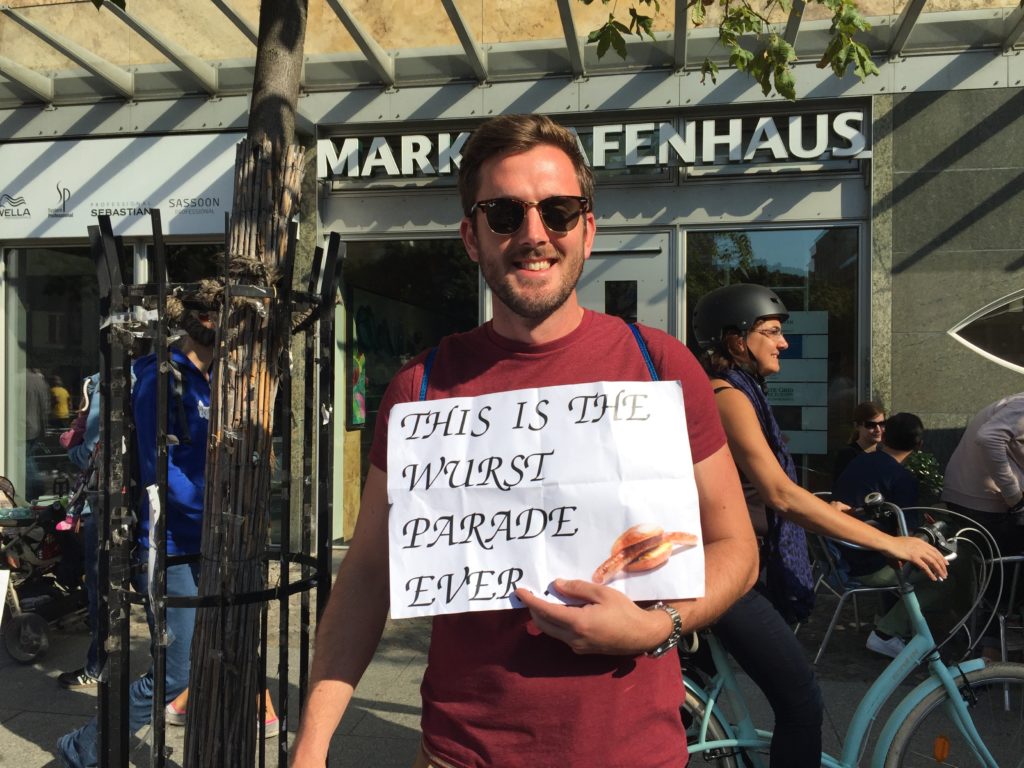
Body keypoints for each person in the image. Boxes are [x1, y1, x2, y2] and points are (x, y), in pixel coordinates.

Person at [291, 114, 758, 768]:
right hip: (464, 755)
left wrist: (659, 626)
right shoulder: (420, 389)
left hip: (637, 754)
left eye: (559, 211)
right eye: (504, 213)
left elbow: (736, 546)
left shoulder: (660, 367)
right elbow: (367, 575)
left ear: (587, 231)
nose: (534, 234)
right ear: (470, 237)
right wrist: (312, 744)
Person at [690, 283, 949, 767]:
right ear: (735, 341)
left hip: (736, 559)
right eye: (770, 332)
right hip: (726, 570)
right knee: (803, 704)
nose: (783, 342)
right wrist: (893, 543)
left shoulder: (741, 391)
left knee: (692, 697)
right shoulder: (726, 396)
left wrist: (829, 509)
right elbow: (778, 494)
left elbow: (760, 488)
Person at [57, 300, 216, 768]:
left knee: (195, 663)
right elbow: (157, 471)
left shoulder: (205, 381)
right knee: (174, 672)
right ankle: (87, 746)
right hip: (169, 546)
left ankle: (116, 744)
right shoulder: (162, 379)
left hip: (202, 543)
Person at [833, 412, 944, 657]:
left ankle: (885, 619)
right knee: (941, 578)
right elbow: (908, 536)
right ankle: (886, 632)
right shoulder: (902, 478)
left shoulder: (859, 461)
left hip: (841, 553)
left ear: (884, 435)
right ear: (920, 445)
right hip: (869, 564)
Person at [57, 372, 102, 689]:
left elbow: (93, 452)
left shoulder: (103, 381)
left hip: (105, 501)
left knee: (100, 589)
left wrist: (71, 445)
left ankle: (99, 665)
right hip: (147, 499)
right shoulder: (162, 372)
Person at [942, 391, 1024, 555]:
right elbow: (989, 437)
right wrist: (1014, 497)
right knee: (1002, 573)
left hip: (977, 500)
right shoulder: (1020, 405)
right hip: (988, 505)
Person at [832, 400, 886, 488]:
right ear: (857, 426)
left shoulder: (885, 453)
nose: (878, 429)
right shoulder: (847, 455)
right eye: (871, 425)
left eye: (882, 424)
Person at [25, 367, 52, 500]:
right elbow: (45, 407)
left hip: (20, 429)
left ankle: (35, 486)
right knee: (27, 459)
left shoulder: (13, 378)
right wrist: (44, 429)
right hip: (34, 428)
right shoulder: (39, 381)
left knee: (25, 461)